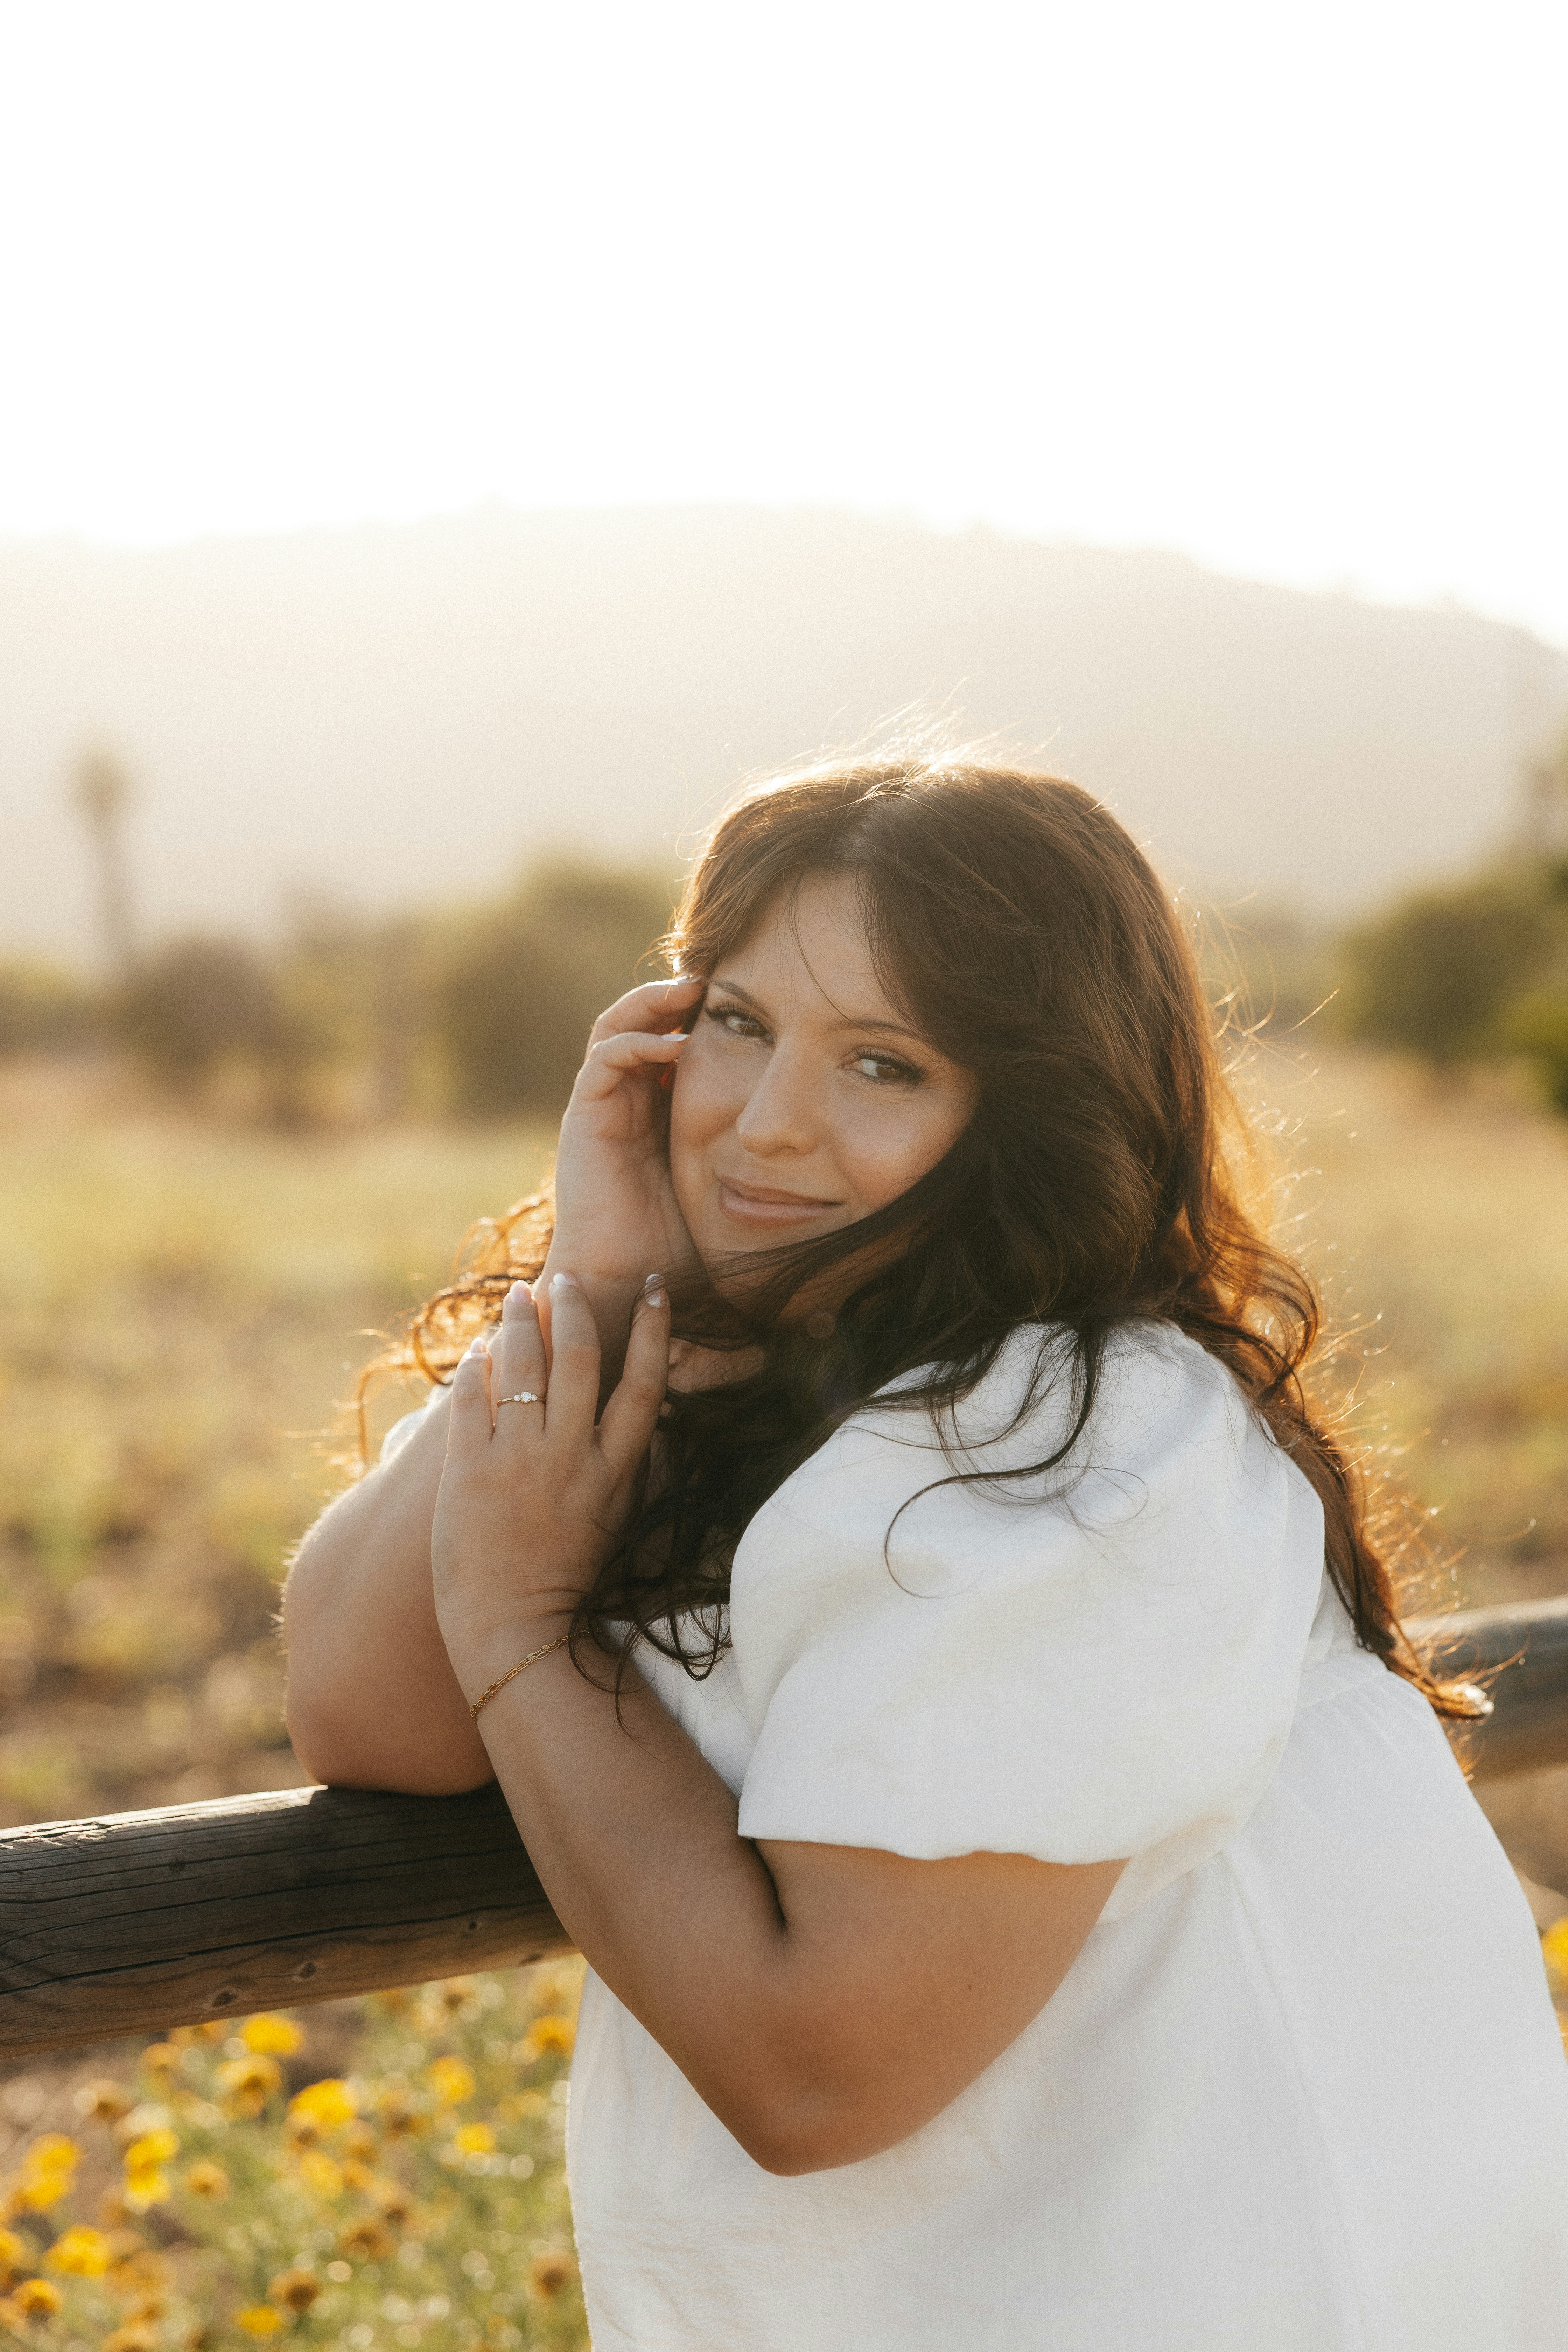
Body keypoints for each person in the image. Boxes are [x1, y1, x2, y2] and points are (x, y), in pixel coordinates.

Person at [283, 756, 1568, 2352]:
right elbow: (361, 1710)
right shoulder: (722, 1336)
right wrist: (599, 1280)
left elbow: (820, 2070)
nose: (766, 1127)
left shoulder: (1082, 1436)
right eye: (738, 1024)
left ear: (1023, 1114)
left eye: (883, 1064)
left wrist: (531, 1635)